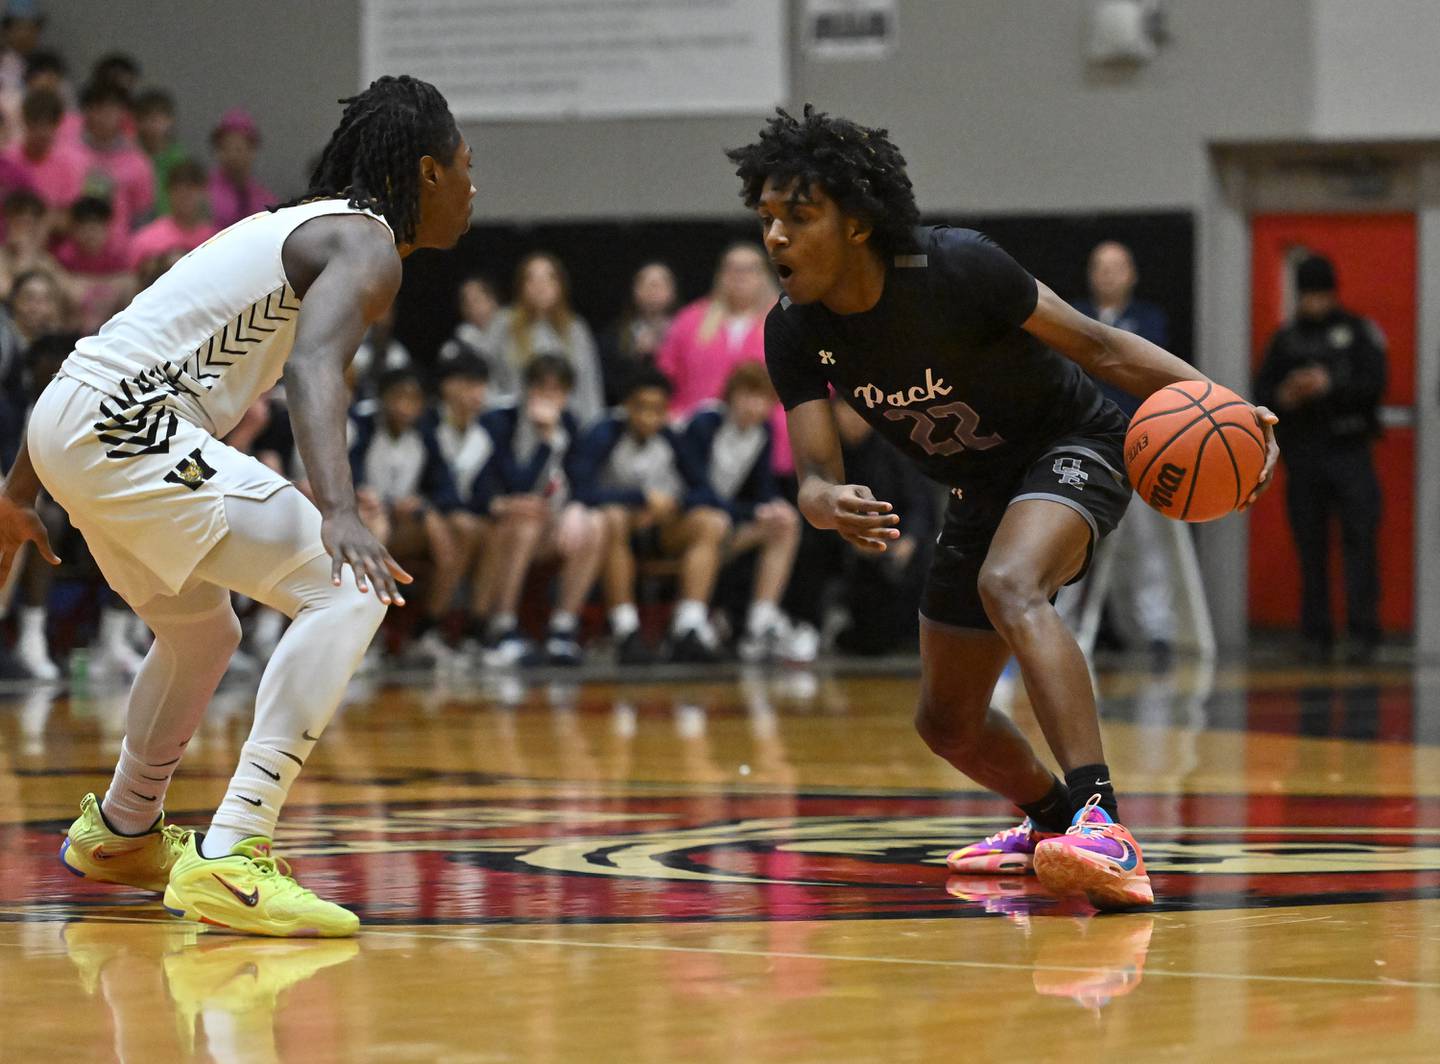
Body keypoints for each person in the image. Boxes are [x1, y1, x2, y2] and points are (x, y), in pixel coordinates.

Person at [728, 106, 1278, 909]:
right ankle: (1052, 821)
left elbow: (1102, 346)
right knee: (946, 724)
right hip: (978, 489)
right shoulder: (793, 332)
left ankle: (1105, 824)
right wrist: (825, 502)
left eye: (798, 216)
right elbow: (814, 474)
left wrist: (1221, 402)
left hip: (1073, 444)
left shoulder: (956, 267)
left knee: (1010, 583)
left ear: (856, 224)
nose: (775, 236)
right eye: (767, 218)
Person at [0, 74, 475, 936]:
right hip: (124, 424)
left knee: (201, 631)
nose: (476, 188)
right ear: (429, 173)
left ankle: (122, 831)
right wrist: (335, 509)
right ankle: (232, 854)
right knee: (351, 586)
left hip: (72, 421)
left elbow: (103, 358)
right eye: (468, 166)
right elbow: (311, 369)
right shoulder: (363, 241)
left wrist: (17, 491)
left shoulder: (293, 228)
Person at [1254, 254, 1385, 664]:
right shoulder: (1286, 339)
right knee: (1310, 547)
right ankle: (1316, 634)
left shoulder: (1358, 332)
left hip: (1350, 451)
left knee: (1360, 543)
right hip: (1306, 454)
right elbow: (1262, 394)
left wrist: (1330, 384)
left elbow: (1375, 384)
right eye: (1307, 294)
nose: (1314, 302)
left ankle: (1364, 634)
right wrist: (1287, 396)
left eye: (1320, 294)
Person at [570, 367, 731, 664]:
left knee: (711, 521)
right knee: (612, 517)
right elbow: (580, 491)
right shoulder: (603, 433)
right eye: (641, 408)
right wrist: (640, 500)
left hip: (661, 529)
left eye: (657, 410)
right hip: (614, 534)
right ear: (627, 407)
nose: (649, 417)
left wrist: (673, 505)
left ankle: (689, 625)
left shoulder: (672, 437)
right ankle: (625, 628)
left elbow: (705, 491)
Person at [1071, 240, 1178, 660]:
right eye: (1100, 267)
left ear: (1132, 273)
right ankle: (1061, 628)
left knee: (1146, 545)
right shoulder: (1074, 316)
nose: (1108, 275)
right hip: (1084, 449)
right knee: (1072, 544)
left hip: (1140, 449)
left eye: (1117, 267)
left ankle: (1157, 632)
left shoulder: (1149, 319)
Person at [476, 354, 605, 665]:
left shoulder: (570, 423)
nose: (549, 397)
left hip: (548, 525)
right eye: (542, 388)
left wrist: (576, 508)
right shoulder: (499, 422)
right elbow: (513, 483)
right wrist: (546, 442)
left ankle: (563, 629)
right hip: (500, 525)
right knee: (526, 523)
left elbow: (583, 478)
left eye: (558, 390)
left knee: (596, 523)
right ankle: (501, 628)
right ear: (526, 388)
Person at [681, 361, 801, 662]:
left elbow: (764, 487)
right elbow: (694, 489)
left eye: (762, 399)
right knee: (713, 520)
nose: (753, 406)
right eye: (747, 396)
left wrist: (772, 507)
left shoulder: (763, 432)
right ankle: (689, 624)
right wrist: (749, 511)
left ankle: (761, 623)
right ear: (730, 395)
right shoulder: (704, 422)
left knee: (786, 523)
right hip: (683, 519)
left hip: (725, 521)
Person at [350, 368, 468, 665]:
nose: (405, 406)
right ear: (383, 398)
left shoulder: (425, 434)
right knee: (375, 524)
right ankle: (362, 633)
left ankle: (427, 630)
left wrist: (421, 504)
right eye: (398, 397)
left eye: (413, 399)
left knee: (451, 528)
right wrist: (384, 502)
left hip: (405, 523)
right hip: (361, 517)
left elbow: (447, 490)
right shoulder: (361, 426)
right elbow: (345, 475)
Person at [656, 243, 775, 416]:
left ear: (764, 275)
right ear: (721, 274)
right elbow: (664, 375)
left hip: (769, 429)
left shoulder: (784, 321)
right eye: (732, 268)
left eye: (749, 269)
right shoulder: (689, 319)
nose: (740, 276)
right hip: (696, 425)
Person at [492, 251, 604, 423]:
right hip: (516, 424)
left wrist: (592, 431)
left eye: (549, 278)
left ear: (560, 285)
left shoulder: (575, 328)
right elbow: (490, 379)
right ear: (521, 285)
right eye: (532, 279)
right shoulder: (504, 324)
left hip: (568, 424)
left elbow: (589, 387)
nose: (540, 286)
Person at [76, 79, 153, 243]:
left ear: (123, 113)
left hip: (121, 254)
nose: (105, 115)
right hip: (70, 256)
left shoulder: (138, 162)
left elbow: (142, 218)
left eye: (112, 108)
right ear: (86, 111)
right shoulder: (66, 154)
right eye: (98, 107)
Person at [599, 261, 677, 408]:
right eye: (647, 284)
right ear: (635, 291)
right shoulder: (615, 334)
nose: (653, 290)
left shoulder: (686, 331)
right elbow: (607, 382)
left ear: (672, 292)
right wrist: (636, 358)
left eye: (660, 284)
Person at [127, 160, 216, 272]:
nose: (184, 195)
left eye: (191, 188)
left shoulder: (216, 239)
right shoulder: (144, 241)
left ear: (204, 192)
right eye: (178, 189)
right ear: (168, 193)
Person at [207, 107, 275, 229]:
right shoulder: (203, 194)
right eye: (226, 147)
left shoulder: (265, 200)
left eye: (239, 148)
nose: (233, 155)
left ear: (253, 150)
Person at [437, 272, 504, 385]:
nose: (473, 308)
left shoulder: (514, 329)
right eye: (466, 303)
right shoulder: (455, 348)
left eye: (477, 300)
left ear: (493, 300)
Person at [132, 88, 185, 217]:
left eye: (159, 119)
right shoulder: (130, 156)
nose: (154, 125)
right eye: (148, 118)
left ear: (170, 121)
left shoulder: (179, 159)